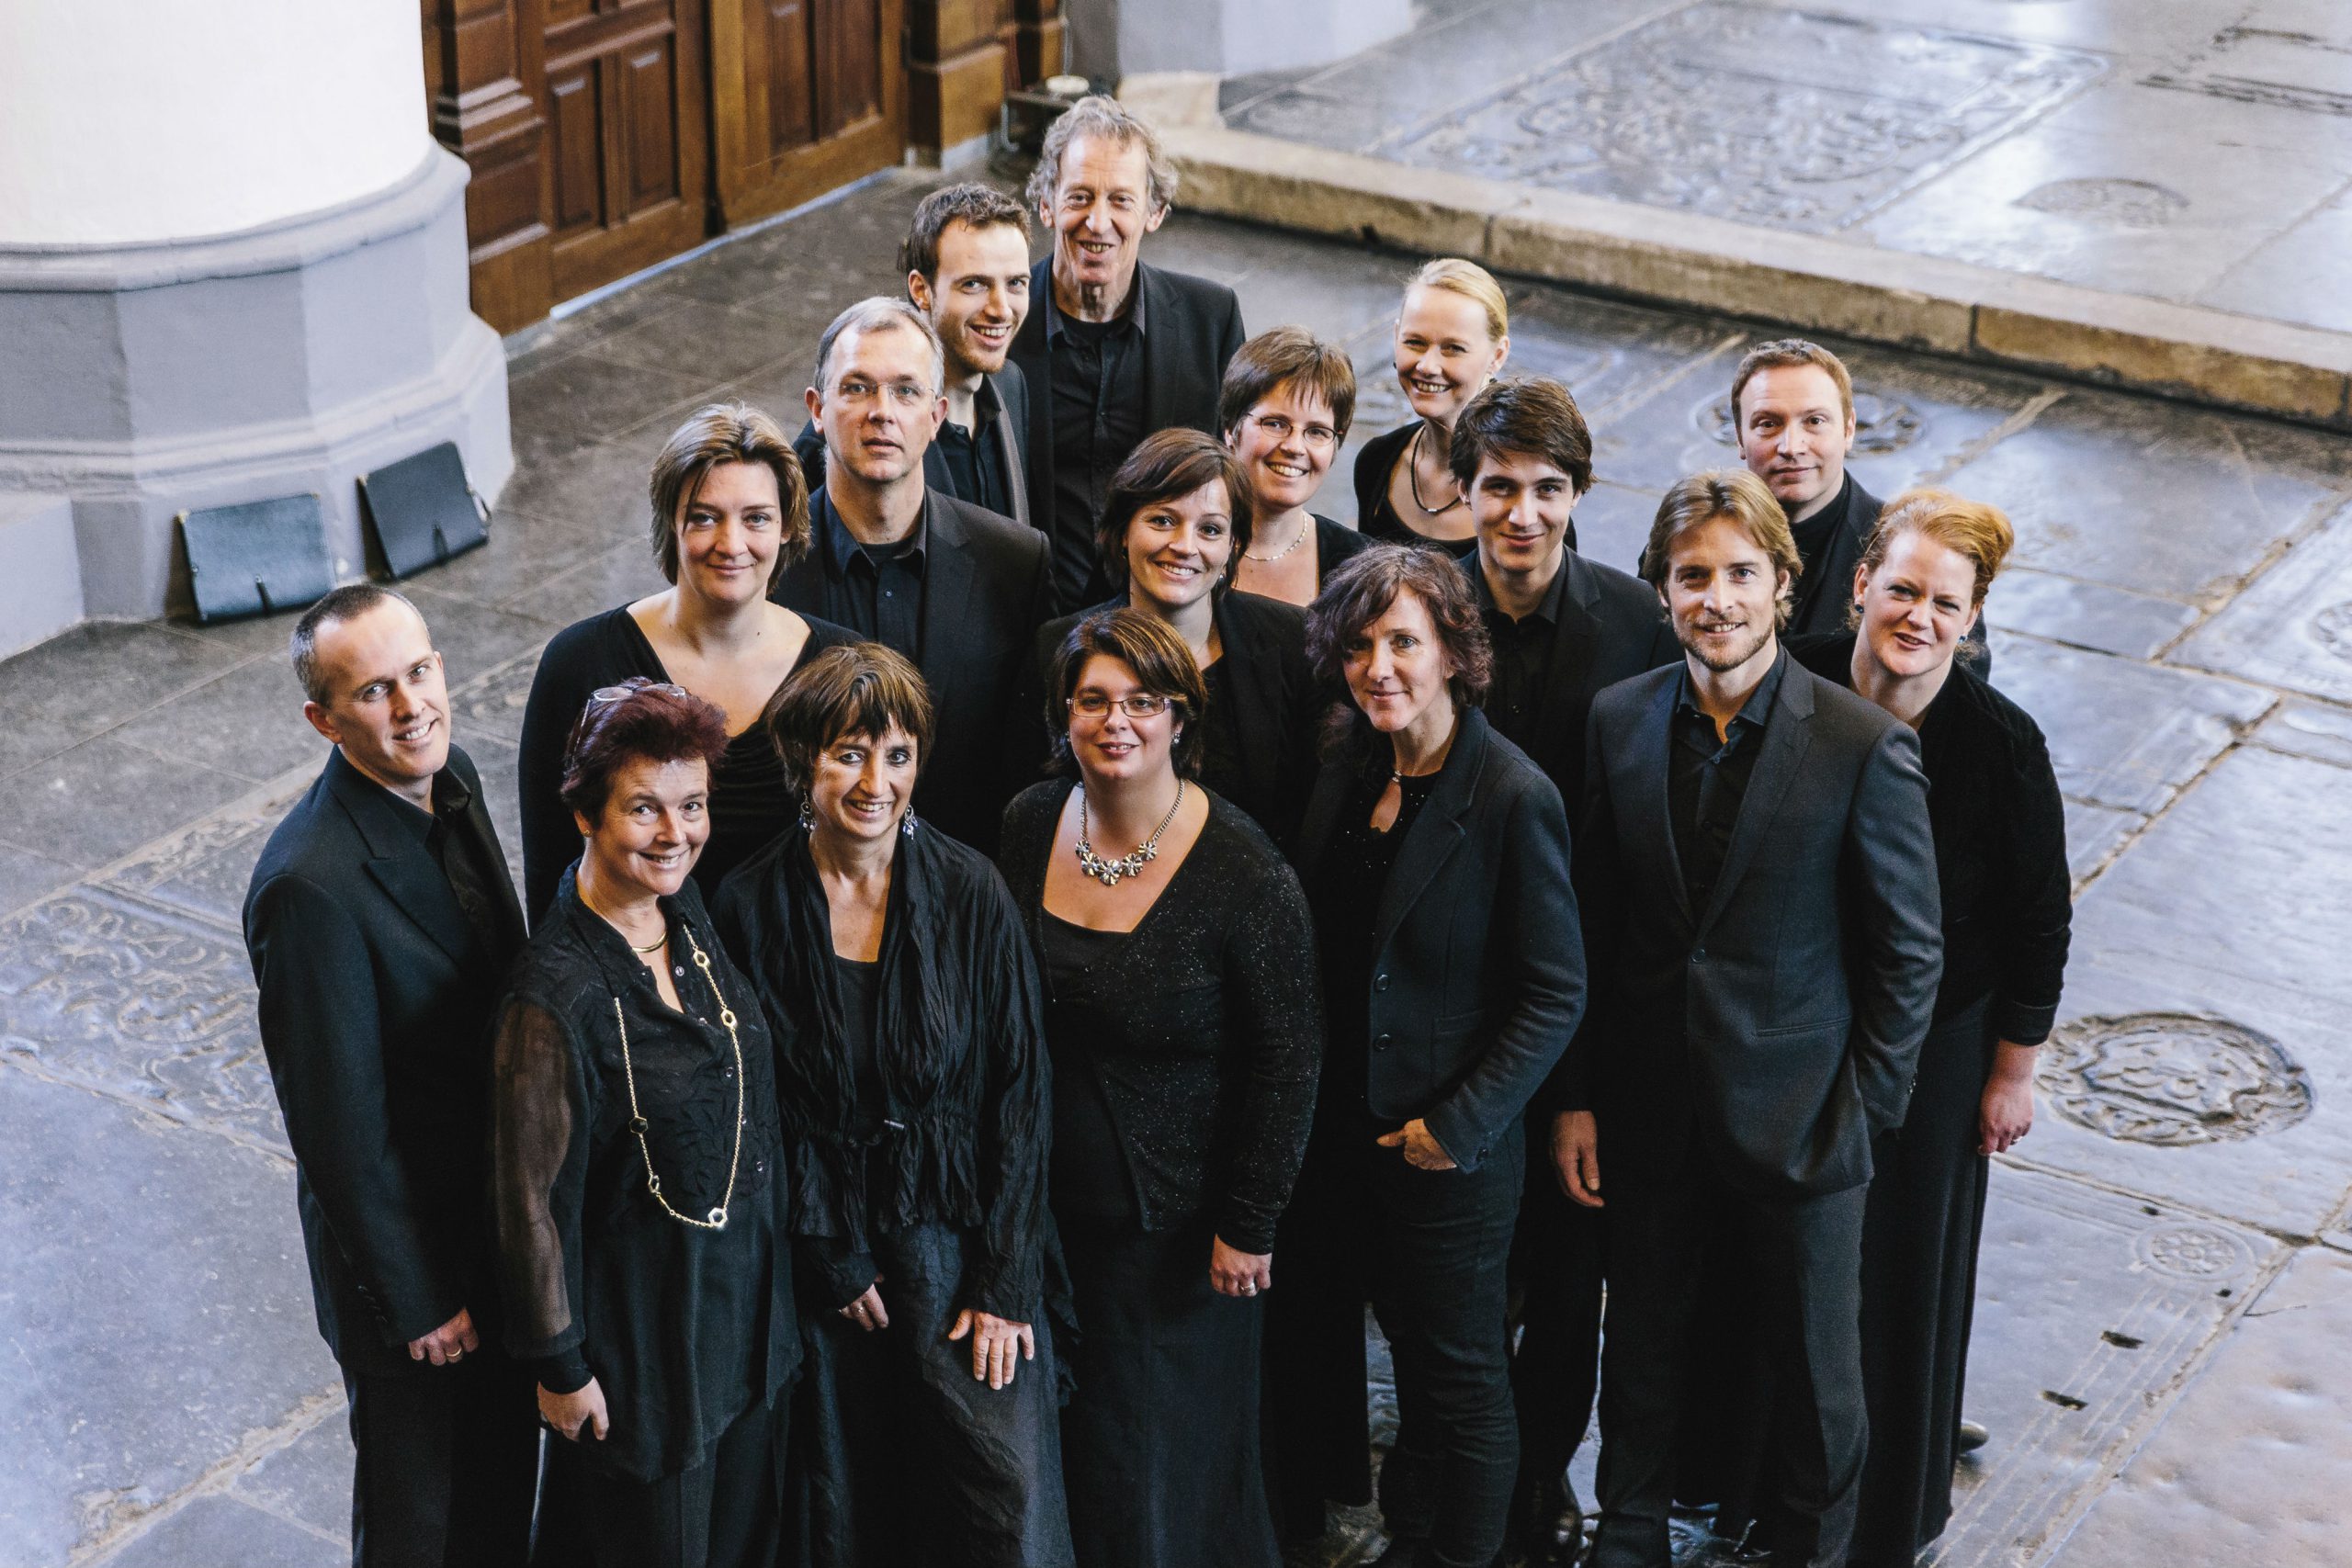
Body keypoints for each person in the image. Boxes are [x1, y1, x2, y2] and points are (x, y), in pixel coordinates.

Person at [1554, 470, 1943, 1568]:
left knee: (1820, 1384)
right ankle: (1625, 1539)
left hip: (1806, 1121)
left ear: (1783, 585)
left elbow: (1908, 953)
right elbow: (1593, 921)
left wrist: (1861, 1117)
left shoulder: (1862, 746)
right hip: (1650, 1109)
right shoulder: (1618, 720)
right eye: (1690, 578)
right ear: (1663, 591)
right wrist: (1579, 1097)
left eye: (1737, 575)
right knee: (1638, 1349)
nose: (1714, 599)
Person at [1749, 491, 2064, 1565]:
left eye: (1945, 603)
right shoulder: (1789, 680)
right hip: (1793, 1017)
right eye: (1901, 590)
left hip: (1937, 1047)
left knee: (1899, 1266)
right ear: (1858, 588)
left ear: (1971, 619)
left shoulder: (2000, 743)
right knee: (1776, 1258)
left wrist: (2010, 1074)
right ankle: (1767, 1491)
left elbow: (2038, 916)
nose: (1919, 617)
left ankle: (1885, 1516)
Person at [711, 644, 1071, 1567]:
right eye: (849, 753)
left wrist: (1004, 1283)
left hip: (957, 1240)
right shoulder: (747, 904)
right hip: (826, 1254)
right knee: (846, 1508)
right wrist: (826, 1248)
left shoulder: (970, 891)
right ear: (802, 762)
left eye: (898, 754)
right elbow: (753, 1107)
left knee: (1000, 1494)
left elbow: (1022, 1090)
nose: (877, 781)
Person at [998, 609, 1321, 1568]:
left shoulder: (1243, 872)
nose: (1117, 722)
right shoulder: (1027, 822)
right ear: (1063, 716)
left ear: (1181, 717)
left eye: (1143, 702)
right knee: (1072, 1448)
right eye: (1093, 700)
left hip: (1176, 1234)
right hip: (1043, 1214)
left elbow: (1289, 1057)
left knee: (1156, 1459)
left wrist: (1250, 1221)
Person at [1288, 547, 1584, 1568]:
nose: (1380, 667)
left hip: (1445, 1150)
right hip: (1343, 1140)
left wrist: (1453, 1130)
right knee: (1405, 1368)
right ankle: (1412, 1540)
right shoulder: (1347, 763)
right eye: (1361, 645)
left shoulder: (1510, 795)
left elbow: (1556, 991)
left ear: (1455, 653)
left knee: (1461, 1384)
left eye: (1404, 642)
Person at [243, 584, 537, 1567]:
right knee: (419, 1517)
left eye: (419, 673)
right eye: (374, 692)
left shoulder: (453, 784)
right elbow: (338, 1129)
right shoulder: (308, 887)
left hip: (491, 1226)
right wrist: (418, 1300)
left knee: (499, 1485)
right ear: (321, 720)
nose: (411, 706)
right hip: (410, 1266)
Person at [1442, 376, 1679, 1564]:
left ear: (1577, 496)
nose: (1522, 513)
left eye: (1547, 489)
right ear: (1462, 491)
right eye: (1499, 487)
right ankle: (1462, 1482)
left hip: (1586, 1006)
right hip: (1454, 1000)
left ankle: (1541, 1487)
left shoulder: (1634, 620)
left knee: (1571, 1275)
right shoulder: (1426, 609)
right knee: (1462, 1274)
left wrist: (1583, 1073)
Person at [490, 679, 796, 1568]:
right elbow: (528, 1204)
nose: (676, 834)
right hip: (642, 1354)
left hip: (736, 1320)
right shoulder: (550, 999)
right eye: (644, 810)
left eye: (692, 806)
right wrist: (560, 1366)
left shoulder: (680, 914)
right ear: (585, 814)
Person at [520, 400, 856, 921]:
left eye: (756, 518)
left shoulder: (840, 669)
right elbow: (549, 874)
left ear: (787, 526)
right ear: (671, 524)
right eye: (704, 517)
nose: (732, 543)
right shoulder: (578, 662)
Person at [772, 297, 1053, 853]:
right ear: (817, 410)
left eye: (905, 390)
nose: (882, 411)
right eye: (856, 388)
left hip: (966, 892)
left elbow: (1031, 757)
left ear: (936, 415)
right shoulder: (768, 570)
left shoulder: (1016, 563)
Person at [1009, 95, 1248, 610]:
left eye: (1120, 200)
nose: (1098, 223)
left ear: (1154, 212)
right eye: (1079, 198)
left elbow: (1236, 481)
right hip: (1028, 615)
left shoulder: (1211, 318)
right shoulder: (1000, 320)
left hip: (1164, 609)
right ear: (1047, 204)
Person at [1031, 429, 1323, 848]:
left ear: (1232, 546)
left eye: (1210, 530)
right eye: (1163, 520)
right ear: (1123, 530)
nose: (1184, 546)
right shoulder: (1057, 647)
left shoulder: (1293, 641)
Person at [1730, 338, 1990, 671]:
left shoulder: (1922, 556)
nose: (1792, 446)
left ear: (1849, 428)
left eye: (1814, 421)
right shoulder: (1691, 541)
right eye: (1768, 423)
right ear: (1739, 437)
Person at [792, 183, 1035, 525]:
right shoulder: (836, 437)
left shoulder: (1012, 384)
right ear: (921, 290)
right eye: (974, 284)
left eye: (1016, 284)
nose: (1001, 309)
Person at [1352, 259, 1512, 559]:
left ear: (1498, 355)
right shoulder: (1377, 462)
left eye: (1453, 348)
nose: (1427, 366)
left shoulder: (1529, 490)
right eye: (1414, 342)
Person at [1220, 326, 1371, 605]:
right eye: (1275, 424)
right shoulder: (1183, 547)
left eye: (1317, 431)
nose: (1294, 447)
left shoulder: (1360, 565)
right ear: (1231, 429)